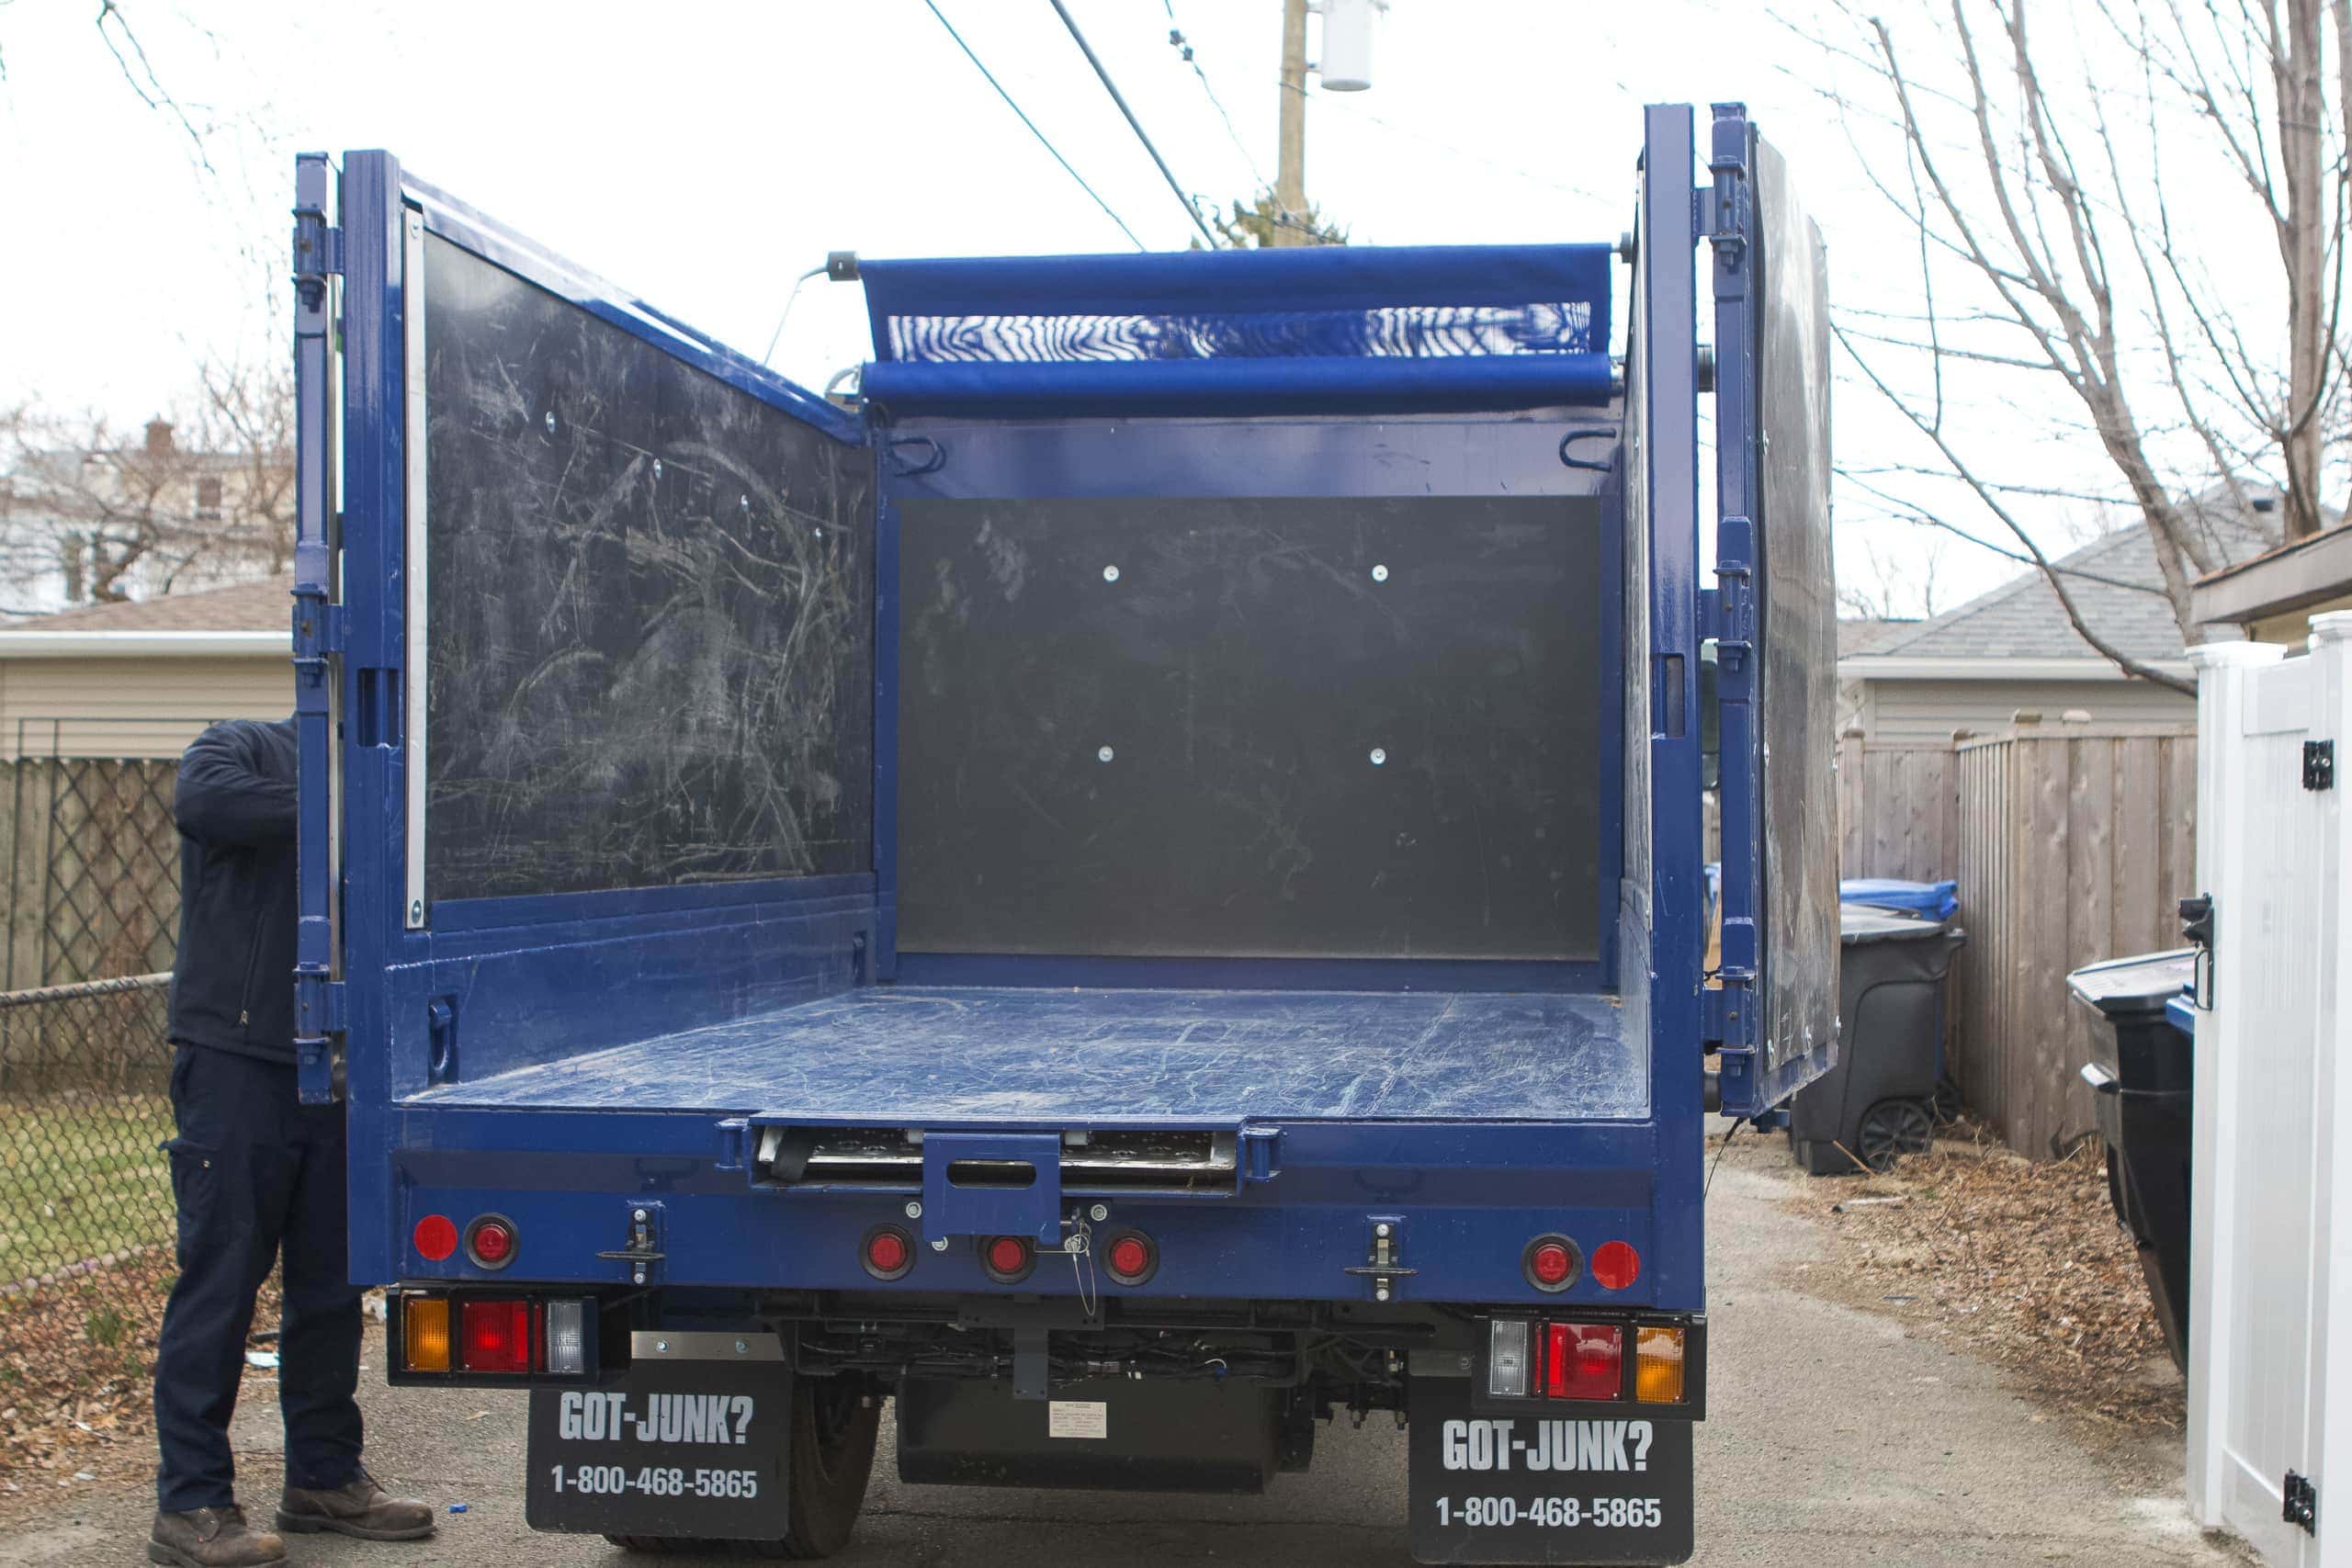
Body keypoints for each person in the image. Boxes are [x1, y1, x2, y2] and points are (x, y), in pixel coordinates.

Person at [149, 717, 431, 1568]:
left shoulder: (400, 774)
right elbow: (203, 802)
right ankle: (191, 1502)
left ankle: (321, 1476)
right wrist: (347, 804)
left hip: (341, 1072)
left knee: (330, 1286)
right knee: (221, 1281)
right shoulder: (240, 748)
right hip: (238, 1061)